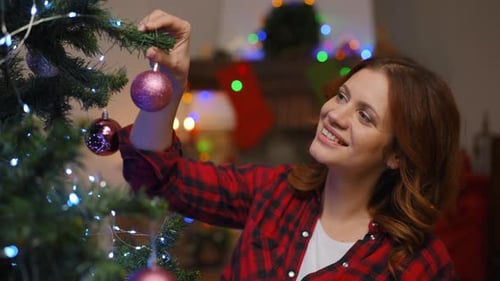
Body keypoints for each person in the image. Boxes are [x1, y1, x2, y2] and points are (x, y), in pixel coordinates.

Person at [118, 9, 461, 281]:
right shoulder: (275, 193)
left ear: (398, 155)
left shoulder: (418, 265)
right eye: (342, 96)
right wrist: (171, 84)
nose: (335, 115)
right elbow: (159, 178)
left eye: (365, 116)